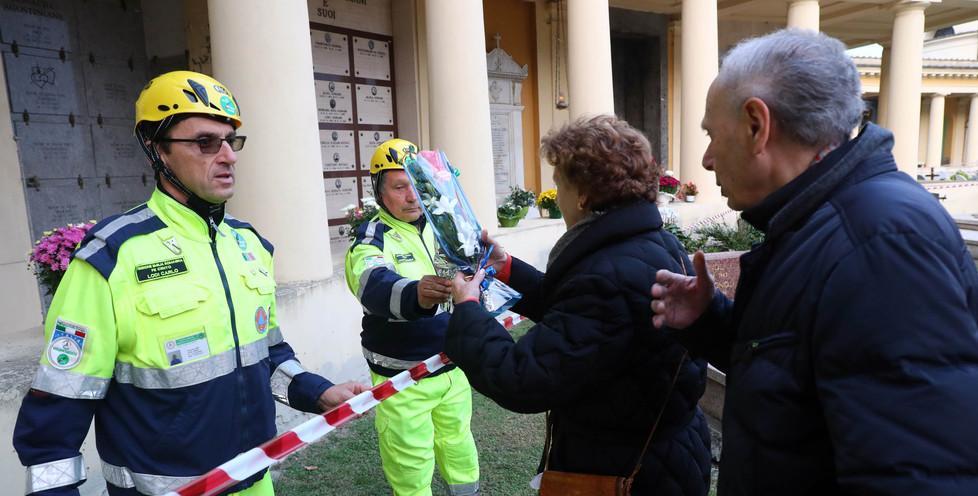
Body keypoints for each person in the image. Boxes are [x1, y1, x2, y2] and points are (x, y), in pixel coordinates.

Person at [651, 29, 978, 495]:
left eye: (711, 134)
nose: (705, 159)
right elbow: (811, 374)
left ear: (756, 125)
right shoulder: (819, 224)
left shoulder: (876, 242)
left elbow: (916, 475)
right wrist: (711, 323)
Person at [12, 70, 366, 496]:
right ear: (156, 149)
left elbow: (266, 355)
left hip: (255, 478)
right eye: (204, 142)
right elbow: (61, 400)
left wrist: (318, 392)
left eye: (230, 141)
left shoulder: (249, 245)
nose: (228, 156)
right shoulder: (111, 256)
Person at [447, 115, 711, 495]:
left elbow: (522, 378)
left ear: (583, 195)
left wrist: (468, 309)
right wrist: (508, 270)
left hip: (622, 470)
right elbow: (580, 321)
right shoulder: (651, 244)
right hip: (666, 453)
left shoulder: (606, 274)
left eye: (559, 184)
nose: (558, 196)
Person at [344, 138, 480, 496]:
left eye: (416, 185)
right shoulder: (371, 237)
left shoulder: (442, 227)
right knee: (410, 462)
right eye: (399, 186)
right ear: (379, 192)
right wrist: (414, 294)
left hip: (452, 368)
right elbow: (371, 282)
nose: (411, 196)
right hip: (402, 378)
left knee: (459, 447)